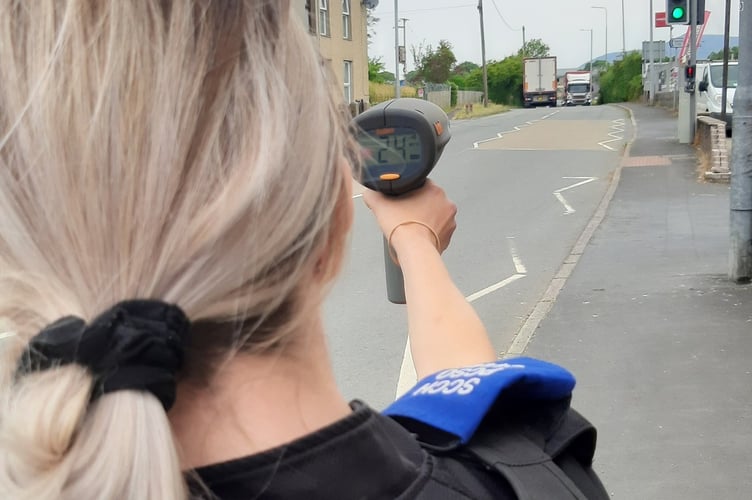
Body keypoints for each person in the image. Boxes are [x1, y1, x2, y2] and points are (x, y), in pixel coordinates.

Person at [0, 2, 607, 499]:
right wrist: (412, 239)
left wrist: (413, 241)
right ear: (330, 220)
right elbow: (468, 415)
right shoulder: (525, 482)